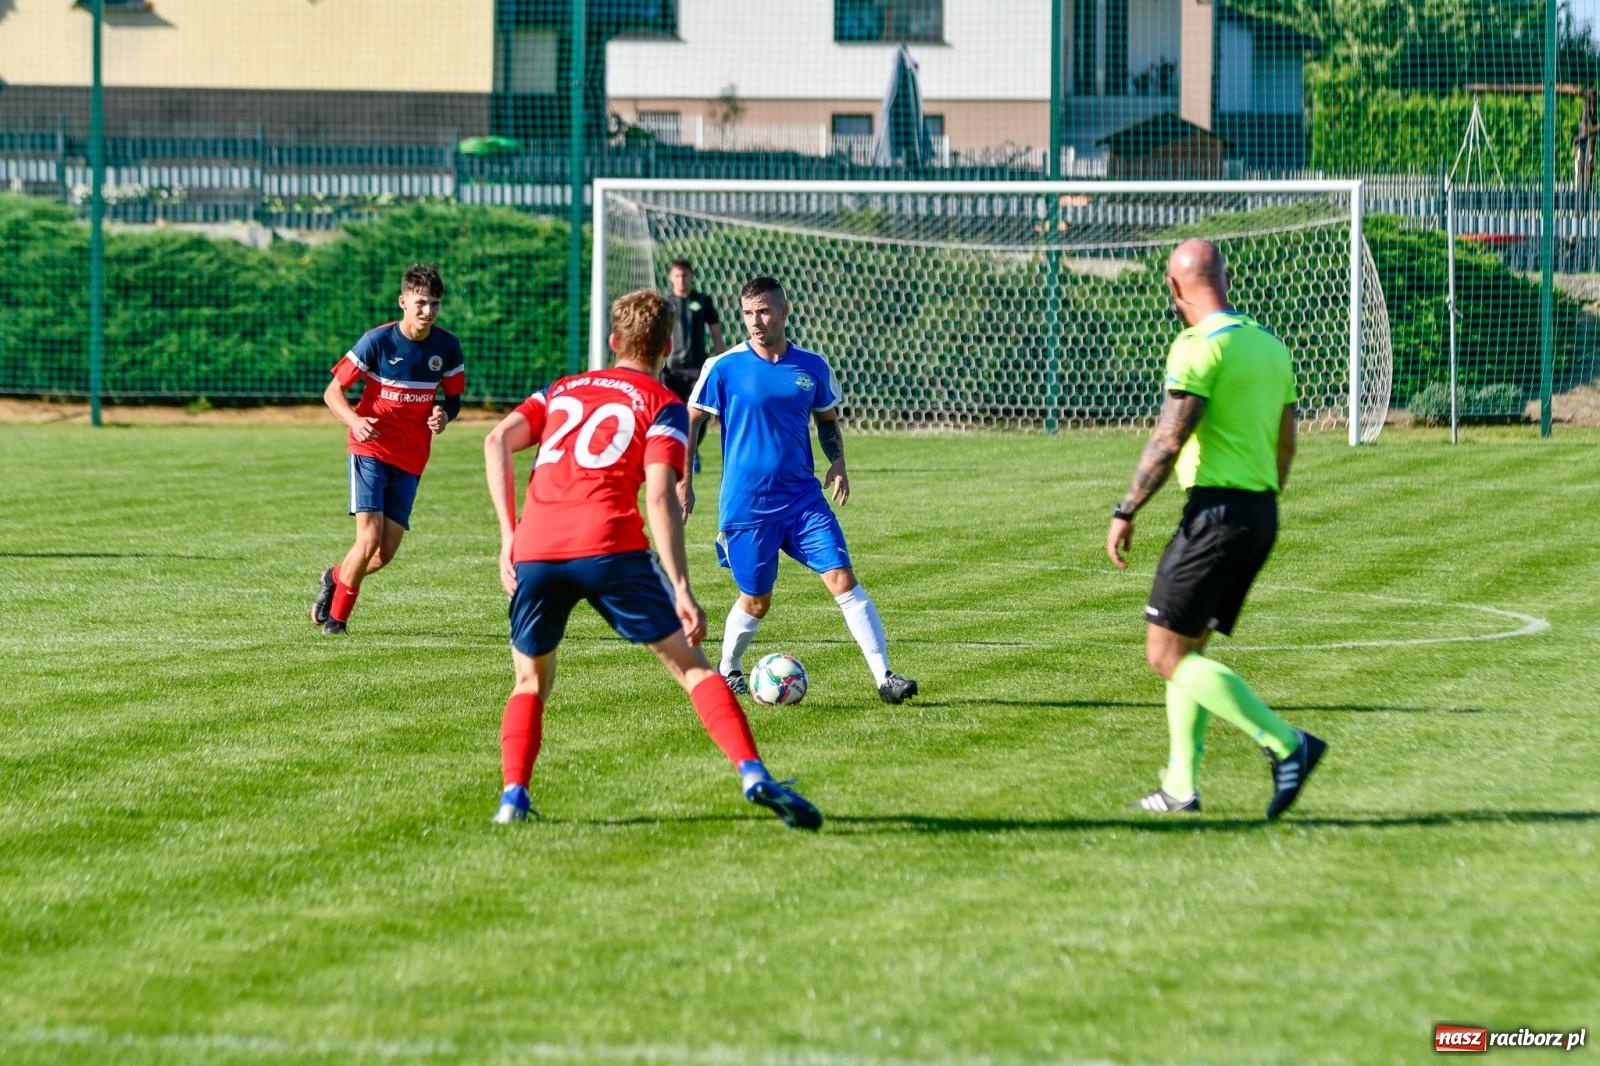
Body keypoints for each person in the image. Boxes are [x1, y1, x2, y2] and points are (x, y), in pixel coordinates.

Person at [481, 287, 821, 830]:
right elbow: (660, 494)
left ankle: (512, 798)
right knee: (691, 668)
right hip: (611, 546)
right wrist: (682, 587)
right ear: (667, 349)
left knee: (528, 682)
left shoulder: (563, 389)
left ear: (614, 341)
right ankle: (754, 774)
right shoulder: (660, 404)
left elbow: (496, 440)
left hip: (538, 550)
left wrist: (508, 538)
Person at [1106, 238, 1325, 819]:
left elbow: (1169, 437)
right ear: (1222, 279)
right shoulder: (1271, 347)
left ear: (1176, 288)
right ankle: (1180, 786)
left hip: (1215, 517)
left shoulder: (1197, 348)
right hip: (1259, 513)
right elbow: (1286, 444)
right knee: (1190, 648)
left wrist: (1126, 509)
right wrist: (1259, 503)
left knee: (1163, 654)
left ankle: (1286, 743)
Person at [681, 275, 918, 705]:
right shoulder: (723, 366)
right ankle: (728, 667)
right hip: (747, 507)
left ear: (784, 312)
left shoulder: (811, 366)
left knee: (843, 579)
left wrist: (838, 462)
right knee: (756, 600)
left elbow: (827, 419)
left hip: (804, 501)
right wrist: (685, 480)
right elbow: (691, 418)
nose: (756, 321)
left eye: (764, 311)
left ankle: (885, 677)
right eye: (749, 313)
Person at [310, 263, 464, 636]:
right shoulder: (376, 341)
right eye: (421, 303)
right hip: (371, 449)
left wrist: (444, 415)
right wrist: (354, 421)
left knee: (383, 554)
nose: (428, 311)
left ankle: (334, 576)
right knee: (368, 538)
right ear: (403, 301)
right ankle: (337, 621)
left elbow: (454, 401)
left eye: (435, 304)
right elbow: (333, 393)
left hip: (412, 457)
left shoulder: (447, 346)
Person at [661, 259, 725, 474]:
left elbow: (715, 331)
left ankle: (693, 451)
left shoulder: (702, 301)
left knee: (700, 412)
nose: (682, 279)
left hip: (699, 367)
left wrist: (721, 358)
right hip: (671, 368)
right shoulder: (664, 303)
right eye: (677, 275)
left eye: (685, 275)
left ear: (691, 276)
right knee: (674, 412)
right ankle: (676, 453)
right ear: (671, 277)